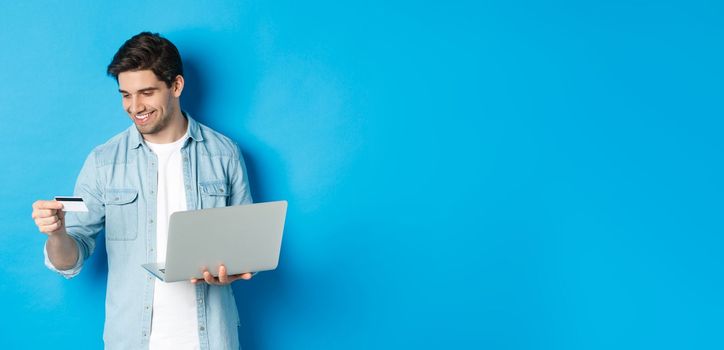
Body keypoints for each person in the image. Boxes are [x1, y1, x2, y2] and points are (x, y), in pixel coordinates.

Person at [31, 32, 254, 349]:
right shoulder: (103, 162)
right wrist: (57, 233)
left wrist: (233, 269)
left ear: (176, 86)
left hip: (212, 339)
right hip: (131, 340)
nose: (135, 107)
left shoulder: (224, 154)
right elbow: (70, 259)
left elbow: (245, 249)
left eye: (146, 93)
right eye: (125, 95)